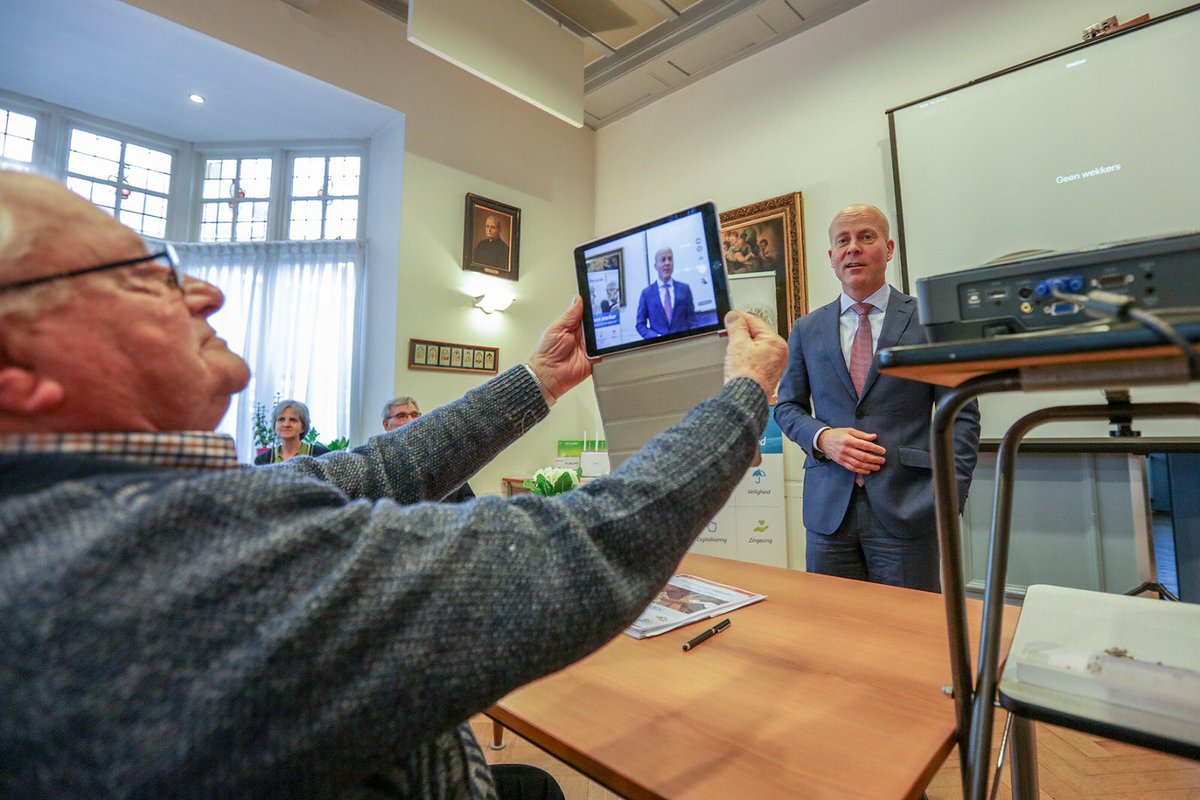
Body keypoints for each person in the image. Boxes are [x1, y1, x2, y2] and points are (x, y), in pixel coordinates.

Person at [0, 172, 788, 800]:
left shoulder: (102, 503)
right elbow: (584, 548)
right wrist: (743, 396)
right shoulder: (129, 562)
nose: (206, 294)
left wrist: (540, 380)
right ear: (17, 371)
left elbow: (378, 471)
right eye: (147, 276)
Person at [774, 204, 980, 592]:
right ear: (831, 257)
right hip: (828, 514)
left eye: (865, 237)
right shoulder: (806, 328)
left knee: (909, 634)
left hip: (910, 509)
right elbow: (787, 407)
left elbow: (962, 415)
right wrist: (823, 438)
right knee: (833, 632)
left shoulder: (929, 322)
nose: (853, 248)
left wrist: (946, 501)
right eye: (843, 241)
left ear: (887, 249)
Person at [381, 395, 474, 502]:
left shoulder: (439, 454)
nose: (410, 420)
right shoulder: (380, 462)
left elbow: (467, 497)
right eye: (401, 416)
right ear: (386, 424)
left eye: (414, 415)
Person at [634, 247, 697, 338]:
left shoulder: (684, 289)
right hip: (660, 348)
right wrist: (656, 338)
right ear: (655, 266)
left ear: (673, 264)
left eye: (670, 259)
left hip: (685, 343)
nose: (667, 263)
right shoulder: (646, 294)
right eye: (663, 260)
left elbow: (693, 320)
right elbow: (640, 324)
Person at [255, 398, 331, 464]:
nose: (286, 424)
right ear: (274, 425)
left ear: (303, 427)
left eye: (293, 420)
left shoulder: (322, 456)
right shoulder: (262, 460)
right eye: (281, 419)